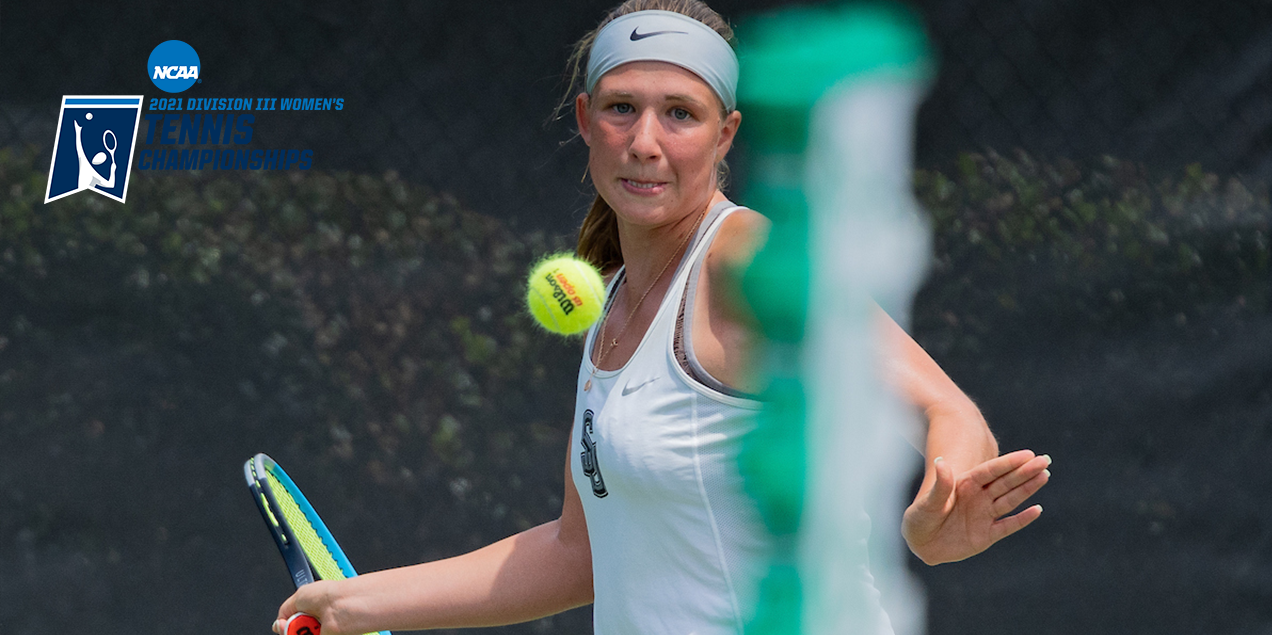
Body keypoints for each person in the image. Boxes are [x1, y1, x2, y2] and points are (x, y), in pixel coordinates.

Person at [273, 2, 1051, 633]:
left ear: (727, 135)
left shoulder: (742, 258)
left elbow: (941, 405)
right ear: (585, 120)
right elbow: (580, 552)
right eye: (622, 109)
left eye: (679, 113)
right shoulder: (610, 304)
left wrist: (939, 508)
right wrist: (352, 604)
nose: (645, 142)